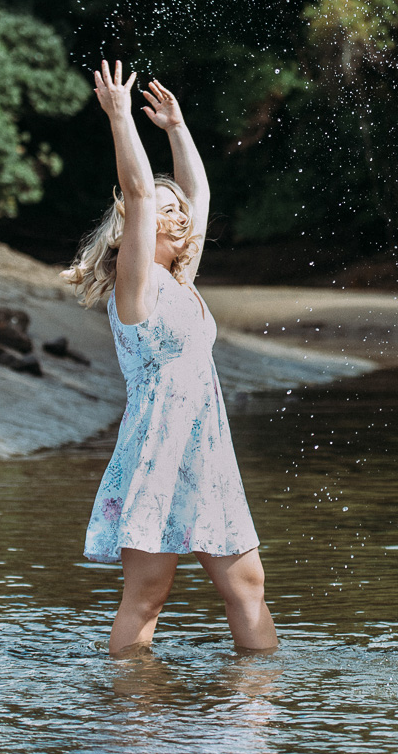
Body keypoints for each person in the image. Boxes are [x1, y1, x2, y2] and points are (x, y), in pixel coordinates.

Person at [64, 60, 277, 657]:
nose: (178, 213)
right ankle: (133, 721)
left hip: (207, 449)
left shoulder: (180, 281)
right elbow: (135, 190)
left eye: (176, 210)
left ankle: (257, 714)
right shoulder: (138, 287)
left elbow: (200, 193)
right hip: (157, 450)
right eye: (164, 208)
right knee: (149, 595)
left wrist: (178, 129)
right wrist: (120, 118)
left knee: (249, 587)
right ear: (133, 227)